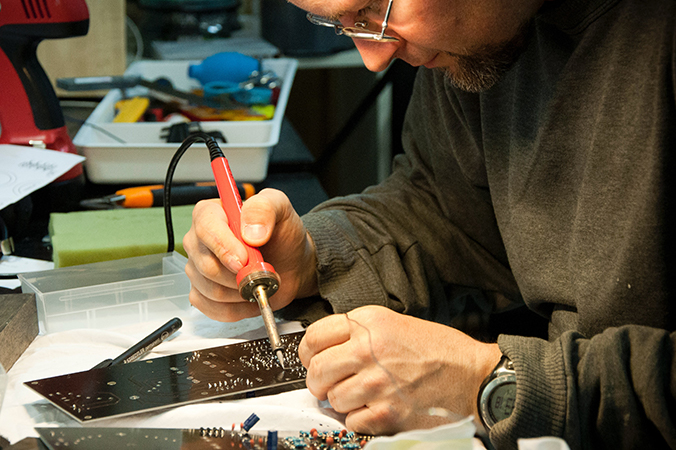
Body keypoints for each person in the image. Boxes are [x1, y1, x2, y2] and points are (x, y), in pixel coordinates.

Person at [182, 0, 676, 447]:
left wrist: (492, 383)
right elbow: (448, 208)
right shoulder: (474, 39)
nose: (372, 58)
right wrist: (315, 256)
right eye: (338, 24)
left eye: (374, 8)